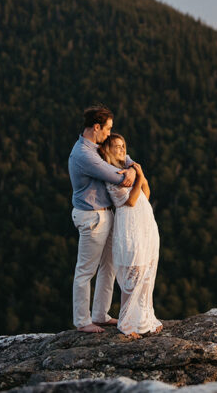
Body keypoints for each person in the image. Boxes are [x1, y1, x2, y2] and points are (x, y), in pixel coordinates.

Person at [67, 106, 138, 333]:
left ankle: (100, 314)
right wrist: (133, 172)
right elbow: (117, 177)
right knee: (86, 271)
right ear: (96, 127)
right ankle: (82, 321)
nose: (109, 134)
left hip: (105, 214)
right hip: (92, 217)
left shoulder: (96, 147)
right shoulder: (84, 155)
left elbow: (122, 158)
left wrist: (133, 168)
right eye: (107, 129)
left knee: (109, 266)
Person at [100, 132, 163, 339]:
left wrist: (140, 176)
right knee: (132, 274)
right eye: (116, 146)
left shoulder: (128, 171)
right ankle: (127, 324)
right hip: (130, 225)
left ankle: (145, 319)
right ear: (108, 150)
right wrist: (138, 176)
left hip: (145, 224)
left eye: (123, 146)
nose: (121, 149)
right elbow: (132, 200)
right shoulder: (114, 175)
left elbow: (146, 193)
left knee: (146, 272)